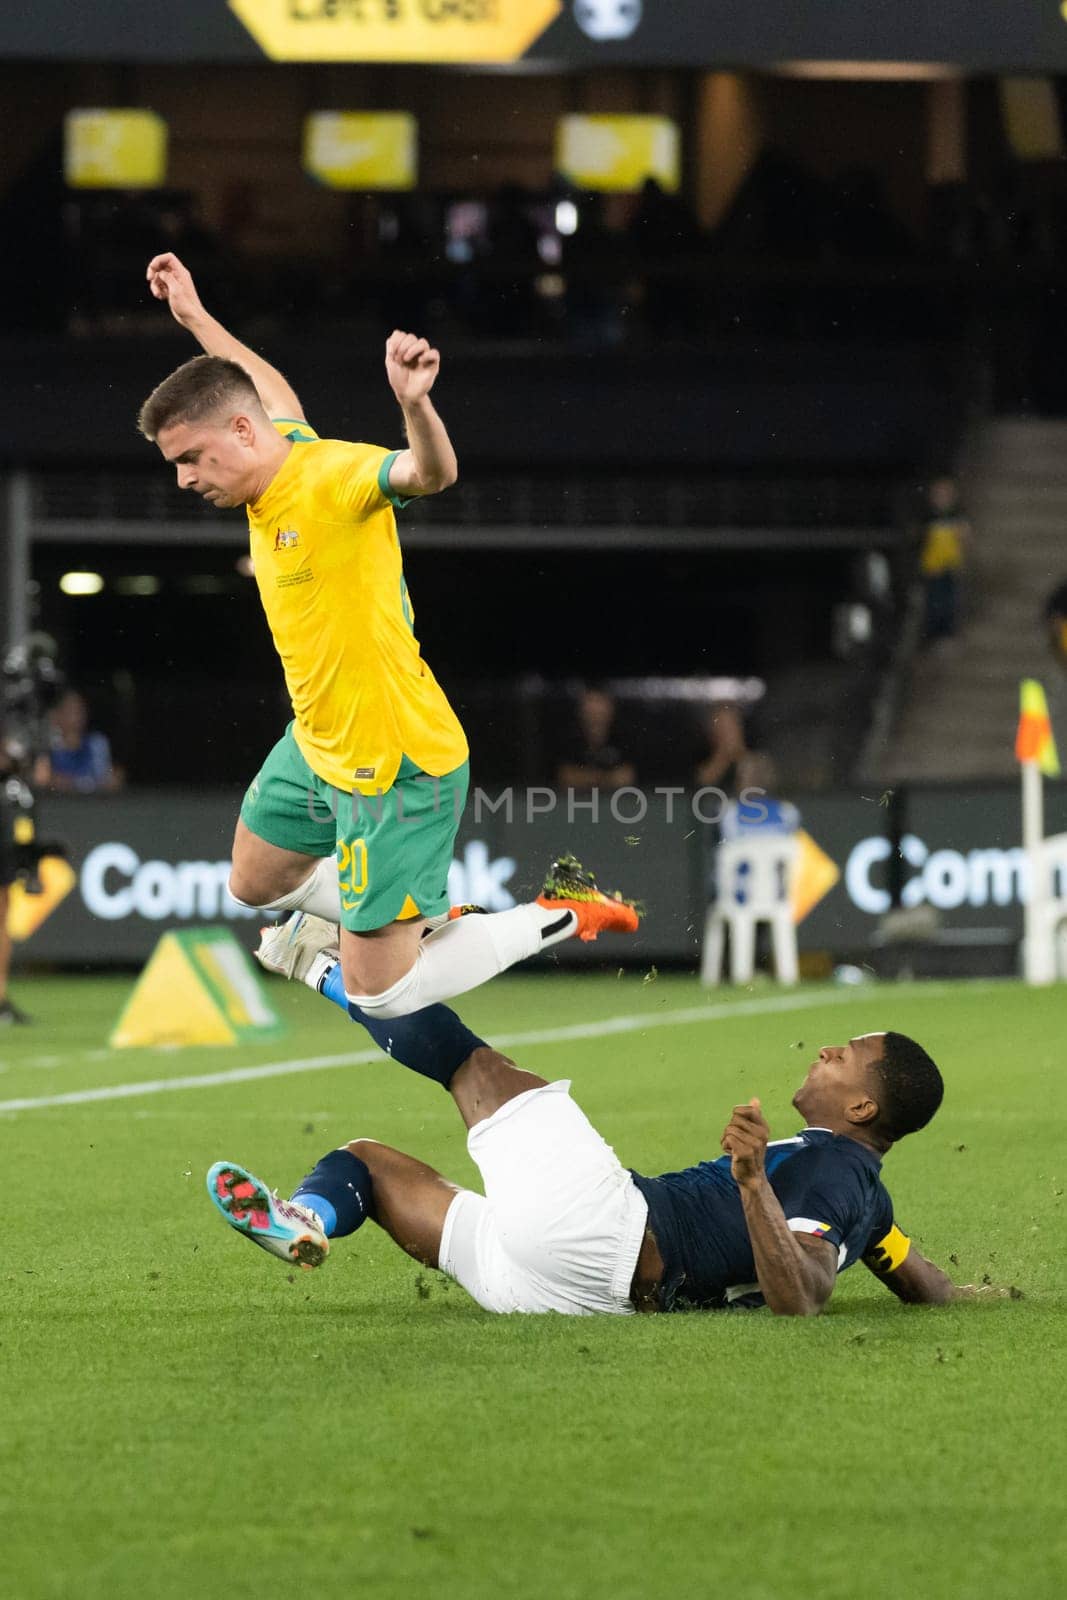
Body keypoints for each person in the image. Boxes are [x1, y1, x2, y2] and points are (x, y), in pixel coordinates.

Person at [138, 254, 638, 1028]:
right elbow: (266, 389)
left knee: (380, 994)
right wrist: (195, 317)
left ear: (240, 434)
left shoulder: (334, 477)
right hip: (318, 742)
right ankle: (420, 916)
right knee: (253, 881)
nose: (182, 479)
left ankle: (563, 909)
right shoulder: (271, 459)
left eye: (189, 460)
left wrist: (415, 405)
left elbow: (429, 474)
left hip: (394, 761)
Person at [206, 1000, 1003, 1316]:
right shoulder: (870, 1201)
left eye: (848, 1055)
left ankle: (321, 963)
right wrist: (988, 1297)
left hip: (607, 1232)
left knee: (475, 1067)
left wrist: (754, 1183)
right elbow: (918, 1282)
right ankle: (303, 1220)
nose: (828, 1048)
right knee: (368, 1163)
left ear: (863, 1108)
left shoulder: (833, 1175)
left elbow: (803, 1295)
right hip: (562, 1293)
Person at [41, 689, 124, 794]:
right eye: (70, 709)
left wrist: (114, 777)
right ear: (55, 714)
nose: (76, 715)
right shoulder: (48, 746)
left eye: (80, 709)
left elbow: (109, 777)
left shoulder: (97, 743)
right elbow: (42, 780)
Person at [919, 477, 970, 645]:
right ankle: (933, 633)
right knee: (934, 600)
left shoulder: (957, 517)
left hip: (950, 564)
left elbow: (965, 538)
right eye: (938, 494)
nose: (942, 498)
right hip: (933, 565)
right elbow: (922, 542)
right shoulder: (928, 517)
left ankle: (947, 632)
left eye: (945, 494)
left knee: (949, 600)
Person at [556, 686, 636, 792]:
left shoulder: (623, 738)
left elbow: (627, 777)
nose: (595, 714)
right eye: (590, 706)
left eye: (599, 705)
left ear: (610, 709)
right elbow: (565, 777)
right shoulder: (569, 739)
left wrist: (587, 778)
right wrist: (606, 779)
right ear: (581, 711)